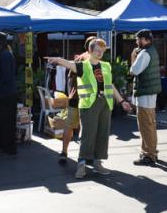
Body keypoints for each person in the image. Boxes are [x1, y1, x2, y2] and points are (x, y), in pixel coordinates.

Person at [46, 37, 131, 178]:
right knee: (88, 135)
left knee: (103, 134)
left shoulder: (106, 66)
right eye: (97, 50)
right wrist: (58, 59)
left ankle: (97, 163)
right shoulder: (83, 65)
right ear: (90, 51)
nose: (100, 53)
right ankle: (81, 165)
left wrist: (121, 101)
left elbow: (110, 85)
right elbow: (68, 64)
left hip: (105, 104)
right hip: (89, 105)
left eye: (102, 51)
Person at [130, 29, 162, 167]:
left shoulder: (144, 53)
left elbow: (134, 70)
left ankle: (149, 155)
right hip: (151, 93)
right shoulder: (153, 50)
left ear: (144, 40)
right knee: (150, 125)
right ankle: (152, 151)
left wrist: (133, 57)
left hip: (144, 94)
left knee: (145, 126)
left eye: (138, 39)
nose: (137, 42)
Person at [0, 32, 18, 155]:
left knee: (7, 122)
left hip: (6, 95)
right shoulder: (5, 55)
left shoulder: (5, 56)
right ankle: (2, 145)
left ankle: (8, 147)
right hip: (6, 94)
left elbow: (5, 78)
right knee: (3, 121)